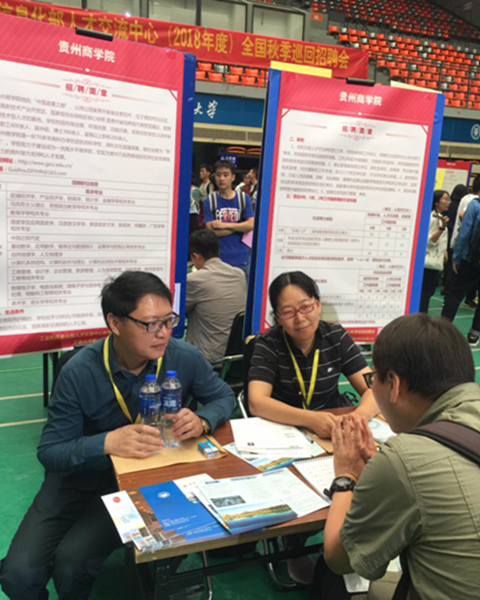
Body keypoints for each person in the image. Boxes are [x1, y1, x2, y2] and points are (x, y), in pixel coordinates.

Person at [0, 271, 235, 600]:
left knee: (72, 564)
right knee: (17, 576)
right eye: (151, 324)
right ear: (115, 323)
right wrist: (107, 443)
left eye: (168, 321)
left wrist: (202, 419)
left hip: (137, 481)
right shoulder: (79, 371)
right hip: (77, 478)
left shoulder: (182, 356)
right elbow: (51, 451)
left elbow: (223, 396)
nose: (163, 333)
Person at [322, 313, 480, 600]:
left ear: (393, 384)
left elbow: (338, 558)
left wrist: (345, 476)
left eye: (373, 379)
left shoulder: (404, 459)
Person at [248, 271, 379, 440]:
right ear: (278, 318)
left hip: (333, 428)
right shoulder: (269, 344)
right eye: (288, 312)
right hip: (286, 431)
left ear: (318, 305)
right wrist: (310, 419)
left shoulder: (336, 337)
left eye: (305, 307)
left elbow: (373, 389)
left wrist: (357, 418)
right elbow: (256, 402)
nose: (300, 318)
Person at [186, 229, 247, 362]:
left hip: (206, 358)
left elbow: (176, 310)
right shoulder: (239, 274)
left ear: (195, 256)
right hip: (237, 357)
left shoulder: (194, 280)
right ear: (218, 251)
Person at [203, 159, 255, 281]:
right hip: (218, 260)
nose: (221, 178)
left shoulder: (243, 198)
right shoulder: (210, 201)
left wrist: (225, 225)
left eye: (226, 175)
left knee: (242, 292)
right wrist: (240, 226)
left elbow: (251, 225)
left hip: (241, 259)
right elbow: (211, 231)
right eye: (218, 174)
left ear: (233, 177)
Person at [442, 187, 480, 346]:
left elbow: (464, 234)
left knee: (455, 294)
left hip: (470, 259)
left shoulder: (475, 205)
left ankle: (443, 330)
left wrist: (456, 257)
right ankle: (474, 334)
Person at [419, 190, 450, 313]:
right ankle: (421, 317)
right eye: (445, 199)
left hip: (436, 259)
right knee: (425, 292)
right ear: (436, 202)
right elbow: (429, 240)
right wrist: (441, 228)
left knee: (429, 291)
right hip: (428, 260)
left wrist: (444, 251)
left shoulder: (440, 217)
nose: (448, 202)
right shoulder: (432, 218)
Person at [442, 183, 467, 294]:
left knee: (445, 260)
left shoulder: (449, 204)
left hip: (445, 233)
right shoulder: (461, 206)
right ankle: (447, 286)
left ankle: (442, 283)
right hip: (454, 235)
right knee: (452, 263)